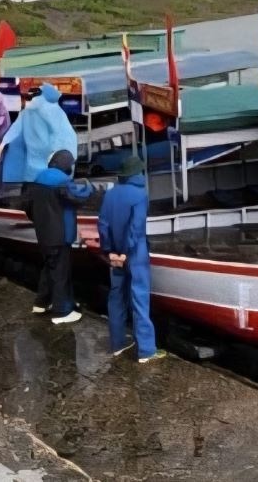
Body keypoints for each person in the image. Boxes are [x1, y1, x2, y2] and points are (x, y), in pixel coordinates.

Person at [98, 155, 166, 363]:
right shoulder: (140, 195)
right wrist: (126, 253)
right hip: (135, 254)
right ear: (138, 173)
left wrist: (110, 251)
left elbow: (103, 225)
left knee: (116, 296)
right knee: (139, 298)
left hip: (115, 254)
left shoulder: (109, 194)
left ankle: (117, 343)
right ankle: (146, 350)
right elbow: (136, 227)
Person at [25, 150, 95, 325]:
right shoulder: (62, 181)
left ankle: (41, 303)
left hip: (43, 233)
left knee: (49, 268)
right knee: (60, 272)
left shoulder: (38, 179)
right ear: (65, 163)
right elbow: (79, 196)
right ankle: (62, 311)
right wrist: (89, 186)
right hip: (60, 235)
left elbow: (28, 207)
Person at [0, 83, 78, 184]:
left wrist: (55, 153)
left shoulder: (52, 111)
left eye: (33, 97)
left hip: (51, 159)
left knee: (52, 184)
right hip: (35, 159)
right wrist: (3, 144)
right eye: (29, 97)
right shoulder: (26, 113)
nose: (30, 100)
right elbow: (16, 128)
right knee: (34, 184)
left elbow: (61, 134)